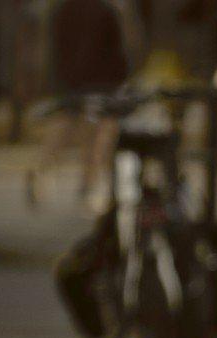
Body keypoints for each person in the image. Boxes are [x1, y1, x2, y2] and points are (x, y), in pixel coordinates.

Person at [25, 0, 129, 212]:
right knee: (97, 137)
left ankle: (43, 171)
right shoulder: (106, 10)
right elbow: (118, 50)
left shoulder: (63, 9)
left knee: (64, 127)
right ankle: (87, 188)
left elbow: (55, 46)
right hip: (100, 83)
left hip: (70, 81)